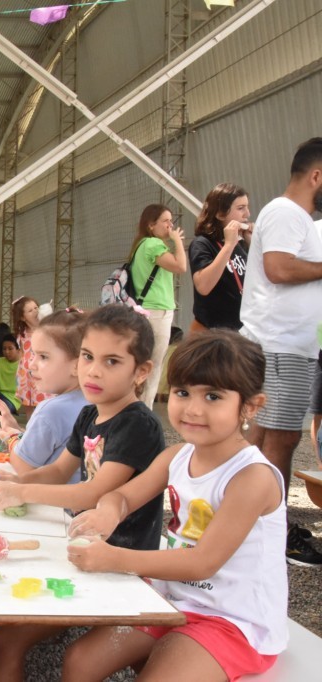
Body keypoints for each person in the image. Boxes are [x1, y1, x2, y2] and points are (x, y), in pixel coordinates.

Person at [64, 330, 286, 681]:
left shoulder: (252, 477)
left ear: (250, 406)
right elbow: (121, 495)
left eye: (213, 396)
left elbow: (203, 562)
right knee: (79, 661)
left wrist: (115, 559)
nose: (193, 409)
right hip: (174, 601)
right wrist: (110, 511)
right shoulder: (177, 456)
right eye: (183, 393)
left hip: (234, 621)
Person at [0, 305, 164, 682]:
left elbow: (92, 492)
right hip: (81, 547)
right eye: (87, 357)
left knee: (10, 640)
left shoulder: (137, 425)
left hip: (121, 565)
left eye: (112, 361)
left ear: (141, 372)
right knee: (4, 636)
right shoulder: (89, 415)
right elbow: (60, 471)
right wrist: (15, 483)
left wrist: (24, 493)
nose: (93, 370)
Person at [240, 137, 322, 566]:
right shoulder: (287, 213)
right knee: (281, 438)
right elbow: (279, 268)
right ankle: (270, 532)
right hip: (279, 343)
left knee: (266, 437)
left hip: (289, 344)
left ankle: (252, 522)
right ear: (316, 176)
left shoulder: (300, 219)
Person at [0, 310, 88, 483]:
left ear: (77, 365)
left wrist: (11, 437)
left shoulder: (52, 410)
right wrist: (21, 433)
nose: (31, 365)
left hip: (55, 506)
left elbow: (24, 468)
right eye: (33, 354)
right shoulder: (94, 403)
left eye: (43, 357)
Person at [128, 203, 188, 409]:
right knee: (153, 364)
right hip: (157, 311)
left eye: (171, 221)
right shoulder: (153, 244)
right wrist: (178, 242)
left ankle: (136, 406)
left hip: (145, 309)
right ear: (151, 225)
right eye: (165, 221)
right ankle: (145, 409)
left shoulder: (140, 245)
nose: (171, 226)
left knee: (141, 361)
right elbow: (181, 266)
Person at [189, 183, 252, 332]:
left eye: (247, 207)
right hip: (214, 333)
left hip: (242, 330)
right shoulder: (202, 244)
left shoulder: (240, 245)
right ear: (220, 213)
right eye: (240, 208)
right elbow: (203, 286)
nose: (247, 214)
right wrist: (228, 245)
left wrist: (252, 243)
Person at [12, 296, 47, 414]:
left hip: (42, 371)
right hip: (25, 374)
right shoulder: (22, 334)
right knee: (28, 404)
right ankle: (30, 428)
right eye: (30, 310)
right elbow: (22, 354)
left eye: (36, 307)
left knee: (44, 401)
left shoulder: (48, 330)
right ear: (22, 317)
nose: (35, 311)